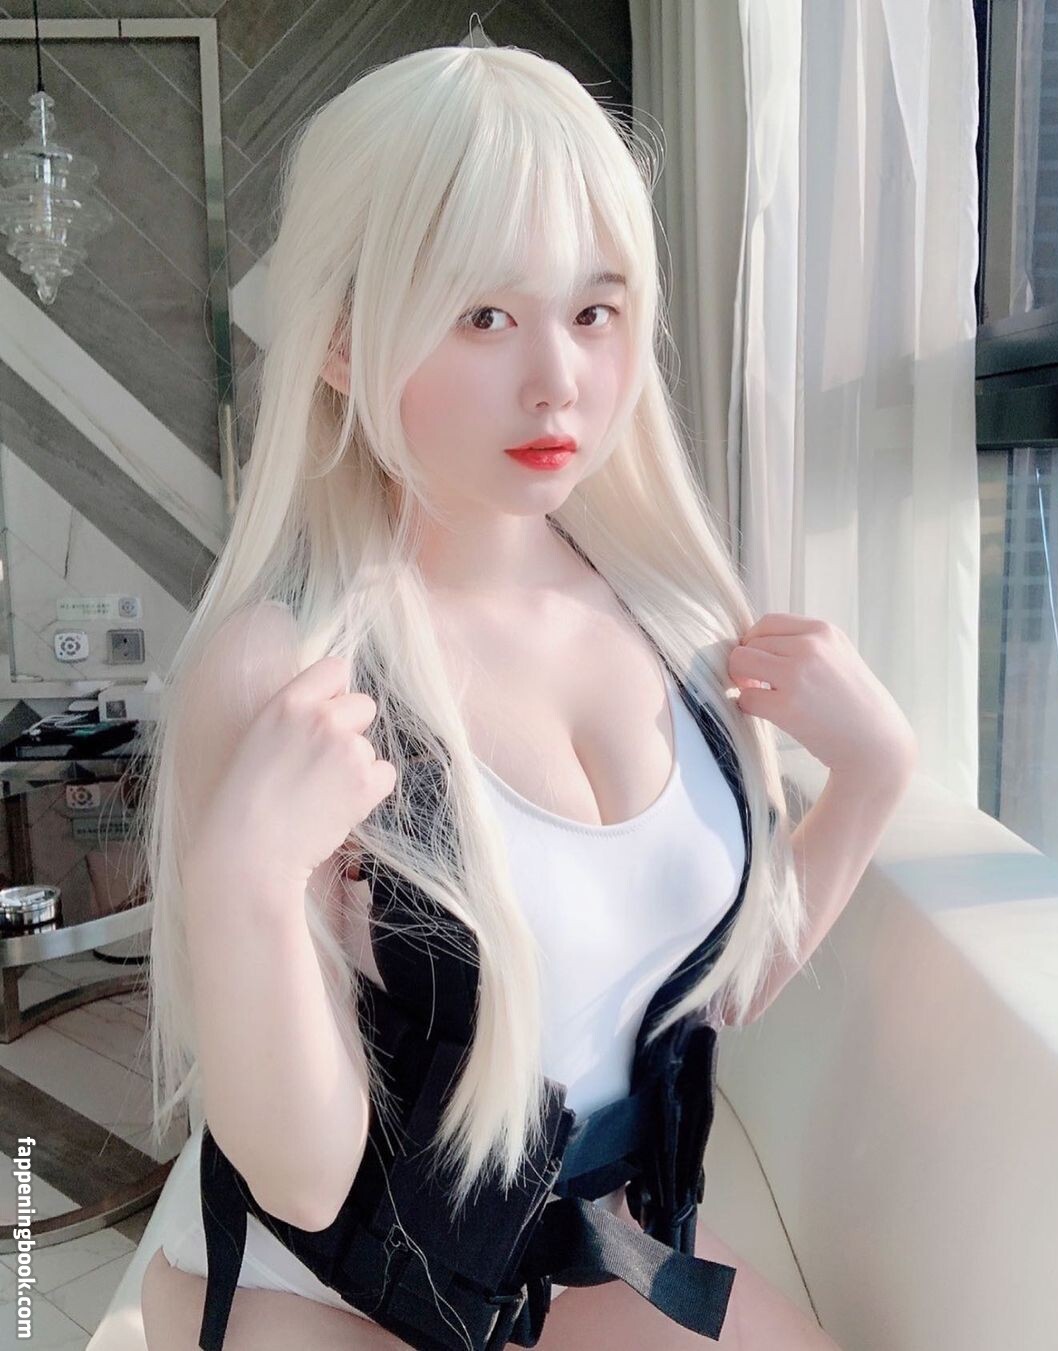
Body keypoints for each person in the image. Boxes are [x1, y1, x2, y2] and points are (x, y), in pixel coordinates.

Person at [137, 33, 914, 1351]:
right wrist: (240, 883)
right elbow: (308, 1180)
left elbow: (708, 992)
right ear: (341, 343)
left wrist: (874, 777)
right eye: (483, 316)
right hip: (327, 1275)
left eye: (594, 312)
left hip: (590, 1247)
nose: (559, 380)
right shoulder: (291, 671)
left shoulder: (676, 627)